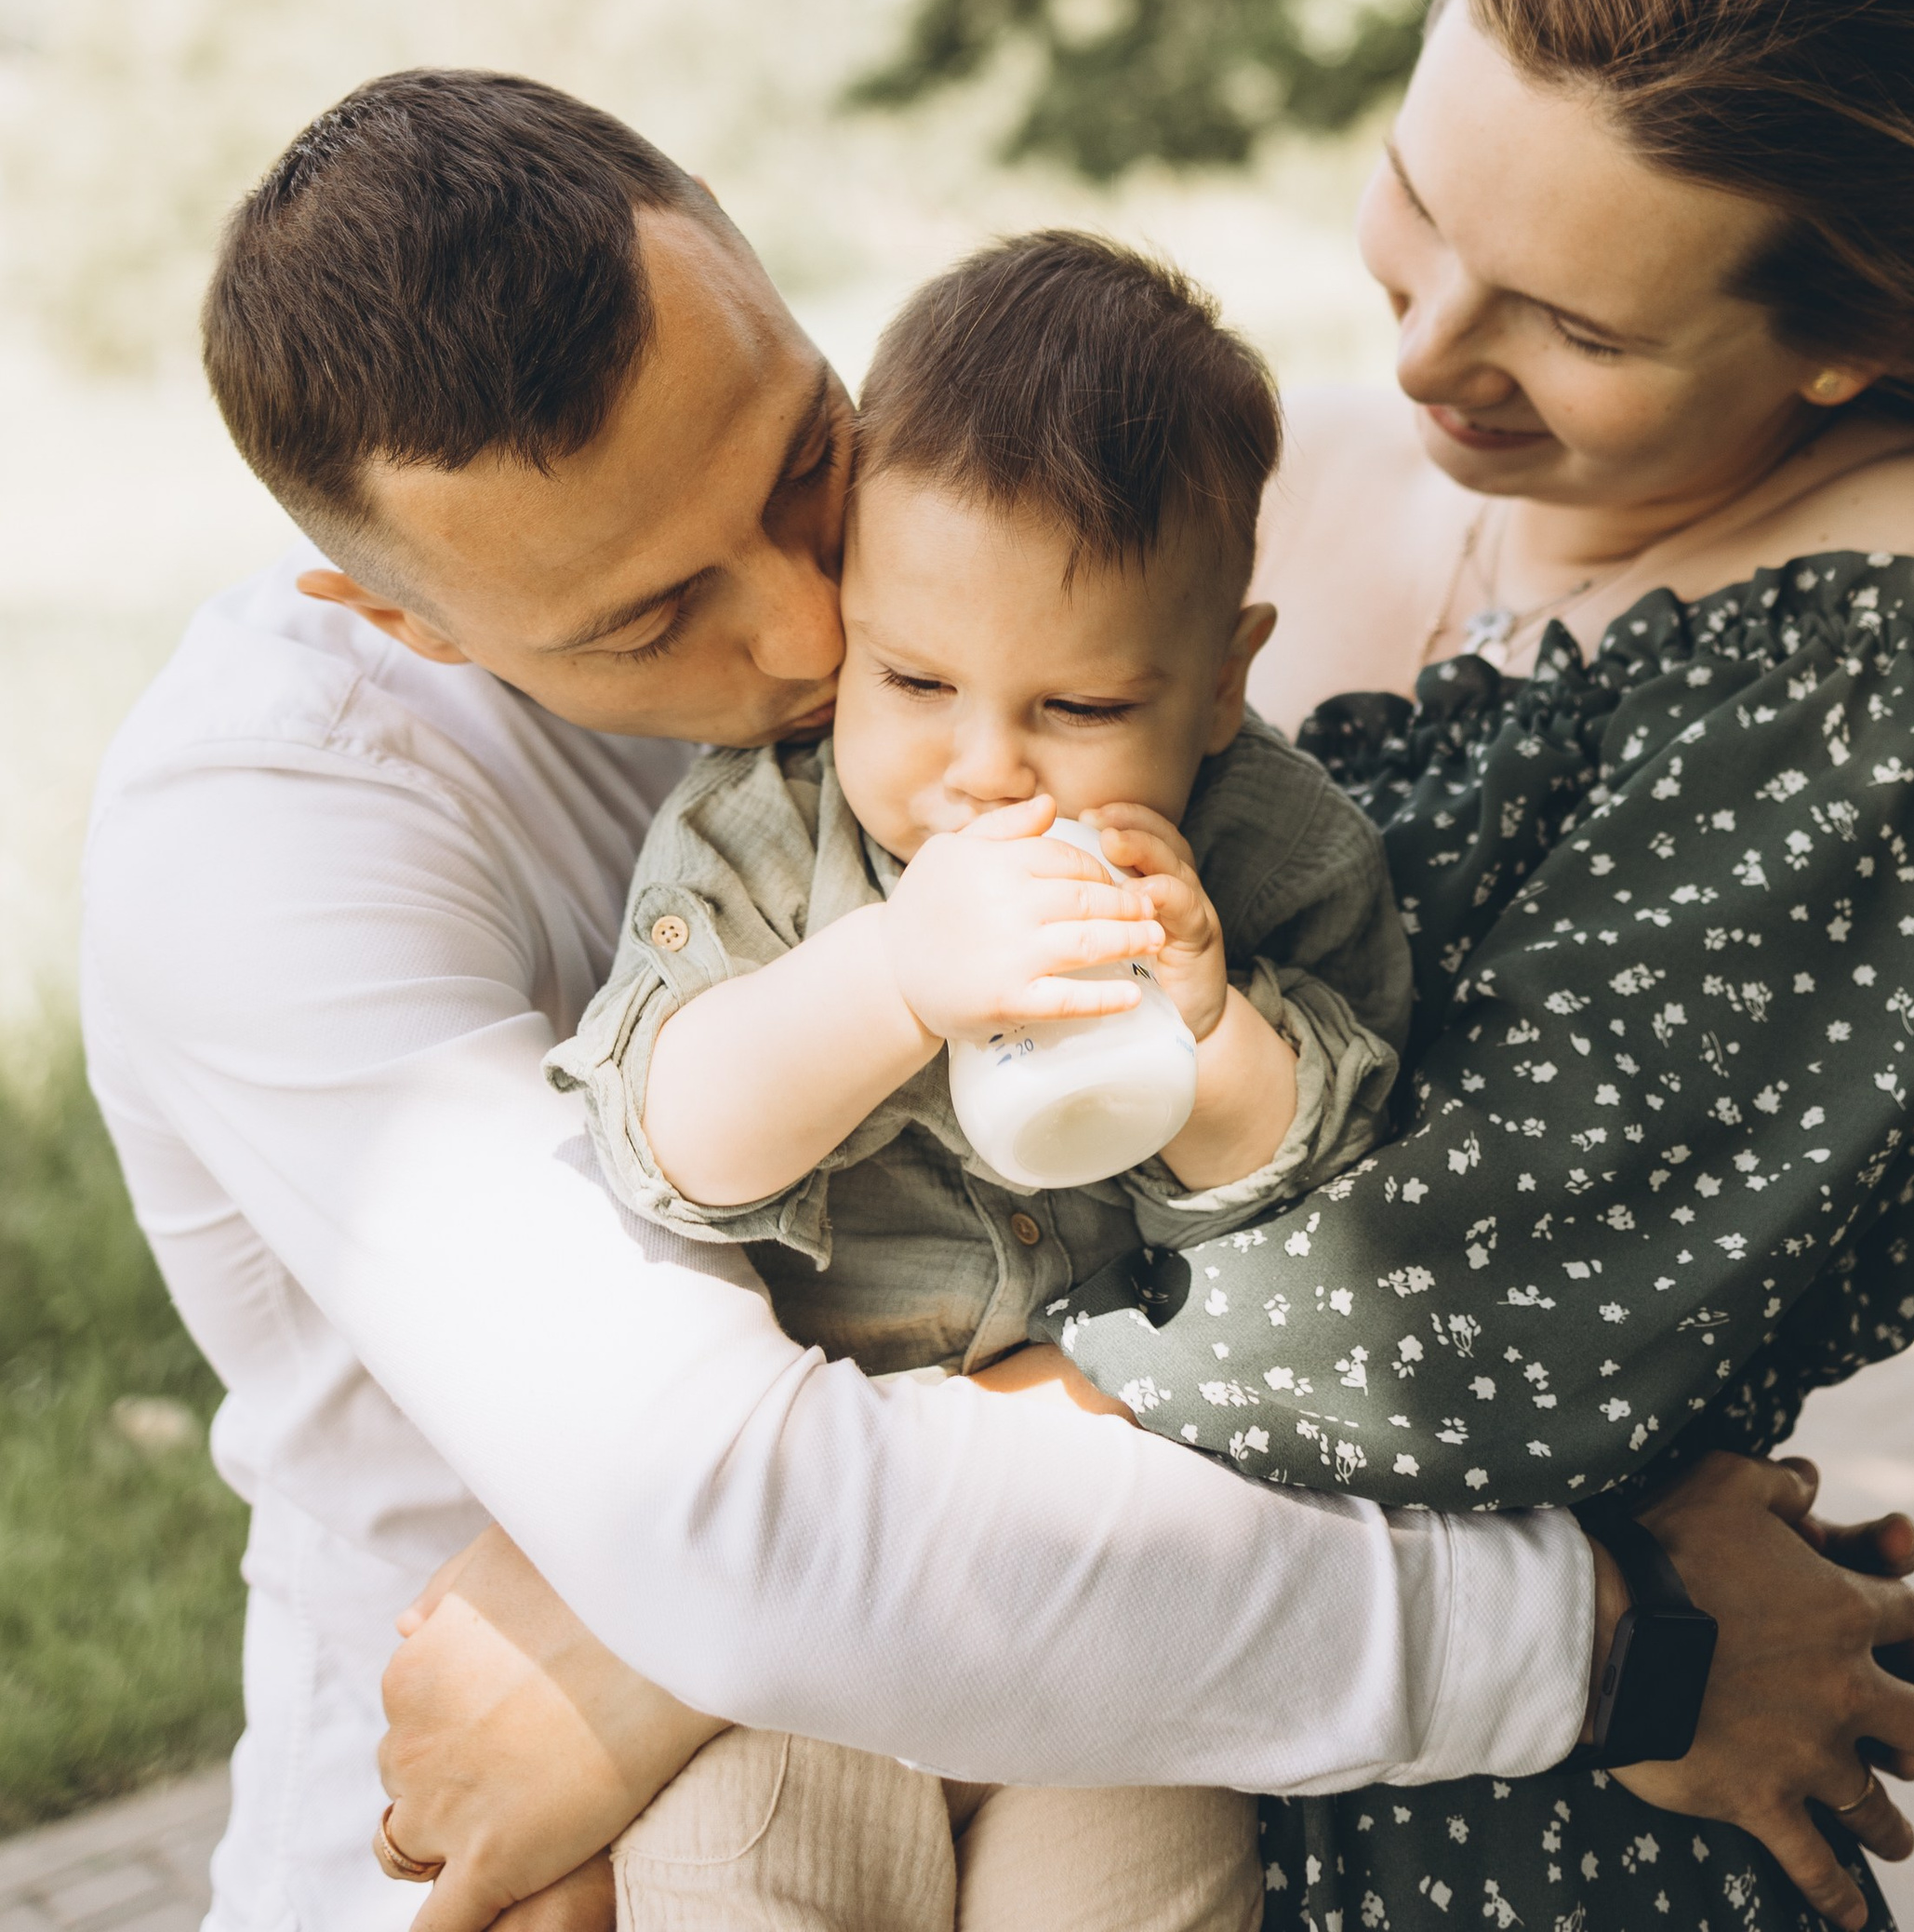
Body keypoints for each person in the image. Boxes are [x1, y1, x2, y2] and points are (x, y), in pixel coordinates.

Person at [80, 68, 1914, 1932]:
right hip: (521, 1848)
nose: (803, 626)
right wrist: (1606, 1644)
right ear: (399, 617)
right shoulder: (266, 842)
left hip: (1104, 1708)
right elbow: (742, 1532)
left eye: (801, 464)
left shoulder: (977, 616)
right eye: (647, 617)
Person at [1044, 0, 1914, 1931]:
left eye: (1575, 334)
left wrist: (725, 1522)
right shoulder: (1284, 472)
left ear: (1846, 335)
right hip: (1091, 1711)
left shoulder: (1901, 663)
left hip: (1490, 1843)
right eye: (1413, 205)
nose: (1427, 354)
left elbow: (1417, 1344)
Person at [550, 229, 1413, 1931]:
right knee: (733, 1890)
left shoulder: (1271, 855)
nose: (981, 771)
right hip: (813, 1630)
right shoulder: (767, 835)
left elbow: (1334, 1174)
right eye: (916, 681)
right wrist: (889, 976)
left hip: (1118, 1588)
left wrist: (1214, 1030)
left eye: (1081, 703)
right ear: (852, 622)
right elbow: (670, 1139)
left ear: (1224, 678)